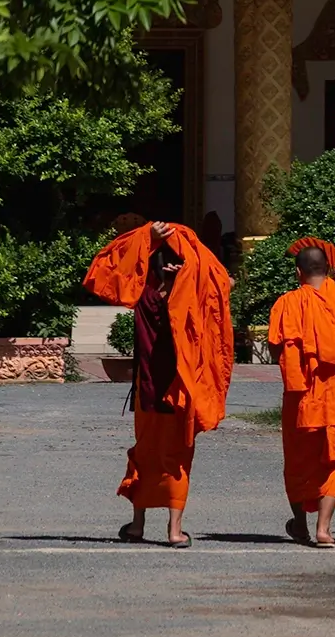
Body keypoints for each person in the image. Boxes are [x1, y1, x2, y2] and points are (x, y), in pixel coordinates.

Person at [83, 220, 235, 548]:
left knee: (148, 453)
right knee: (175, 458)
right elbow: (221, 281)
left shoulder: (146, 294)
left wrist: (145, 241)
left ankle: (139, 525)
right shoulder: (193, 296)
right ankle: (173, 531)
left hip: (153, 391)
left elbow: (104, 272)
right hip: (180, 391)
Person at [268, 245, 335, 548]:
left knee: (298, 461)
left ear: (299, 272)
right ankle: (324, 530)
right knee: (331, 460)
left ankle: (301, 524)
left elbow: (276, 348)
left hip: (301, 396)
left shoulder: (287, 303)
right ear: (327, 269)